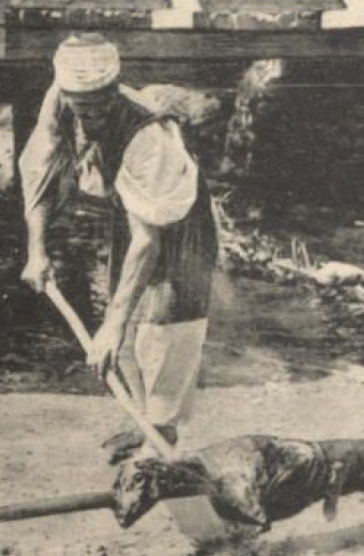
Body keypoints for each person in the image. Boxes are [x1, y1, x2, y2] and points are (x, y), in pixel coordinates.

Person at [17, 35, 220, 475]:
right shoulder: (59, 100)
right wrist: (37, 251)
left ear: (114, 90)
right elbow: (39, 171)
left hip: (179, 220)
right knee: (122, 317)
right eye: (82, 105)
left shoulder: (148, 134)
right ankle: (140, 419)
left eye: (101, 104)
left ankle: (162, 433)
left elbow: (149, 239)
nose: (92, 115)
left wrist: (112, 324)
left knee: (165, 321)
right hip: (131, 209)